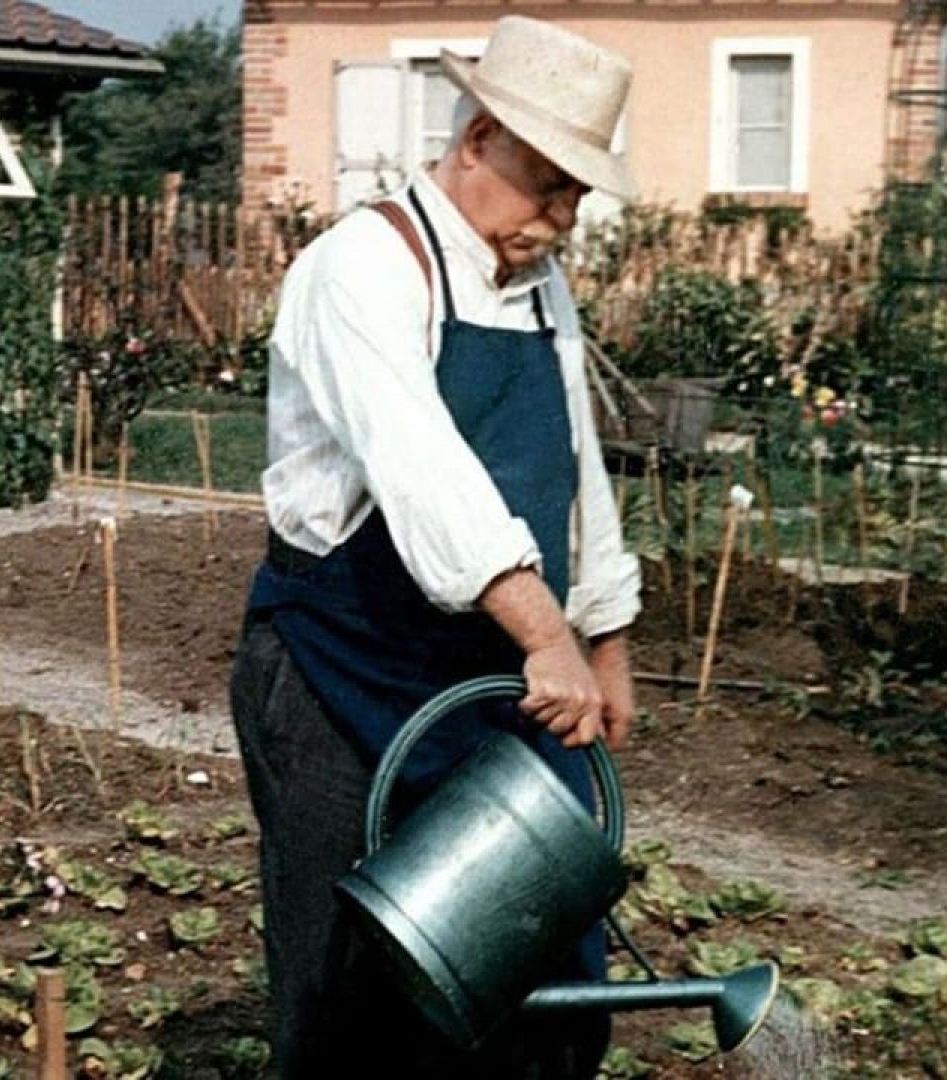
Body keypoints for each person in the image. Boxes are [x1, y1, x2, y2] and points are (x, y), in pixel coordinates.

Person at [228, 16, 643, 1079]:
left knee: (542, 965)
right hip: (343, 665)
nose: (558, 219)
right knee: (348, 988)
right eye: (545, 184)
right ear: (474, 142)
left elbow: (577, 472)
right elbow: (425, 473)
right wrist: (544, 631)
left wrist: (603, 640)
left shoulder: (541, 291)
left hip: (491, 674)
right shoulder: (361, 268)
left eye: (576, 197)